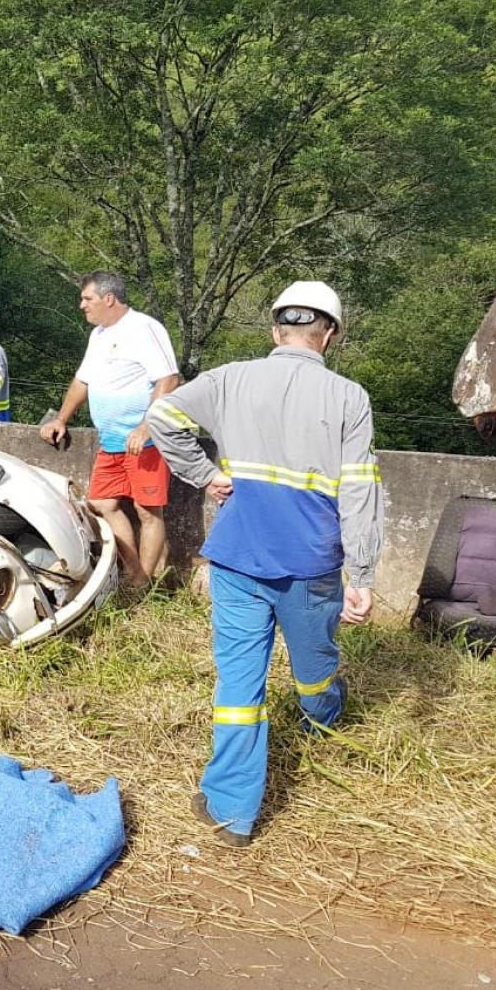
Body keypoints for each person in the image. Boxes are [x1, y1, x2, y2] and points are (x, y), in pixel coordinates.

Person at [145, 281, 382, 848]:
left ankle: (231, 810)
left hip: (237, 557)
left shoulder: (228, 379)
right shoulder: (349, 397)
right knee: (314, 666)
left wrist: (205, 475)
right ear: (330, 334)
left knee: (239, 683)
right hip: (311, 564)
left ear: (276, 330)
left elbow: (161, 414)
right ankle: (323, 721)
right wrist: (362, 574)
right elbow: (359, 489)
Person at [40, 272, 180, 587]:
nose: (82, 305)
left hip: (145, 442)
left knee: (148, 511)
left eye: (87, 298)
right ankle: (136, 573)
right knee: (101, 503)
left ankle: (142, 585)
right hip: (112, 440)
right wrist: (61, 419)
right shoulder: (99, 335)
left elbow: (169, 379)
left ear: (109, 298)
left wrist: (148, 426)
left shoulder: (144, 328)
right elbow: (82, 381)